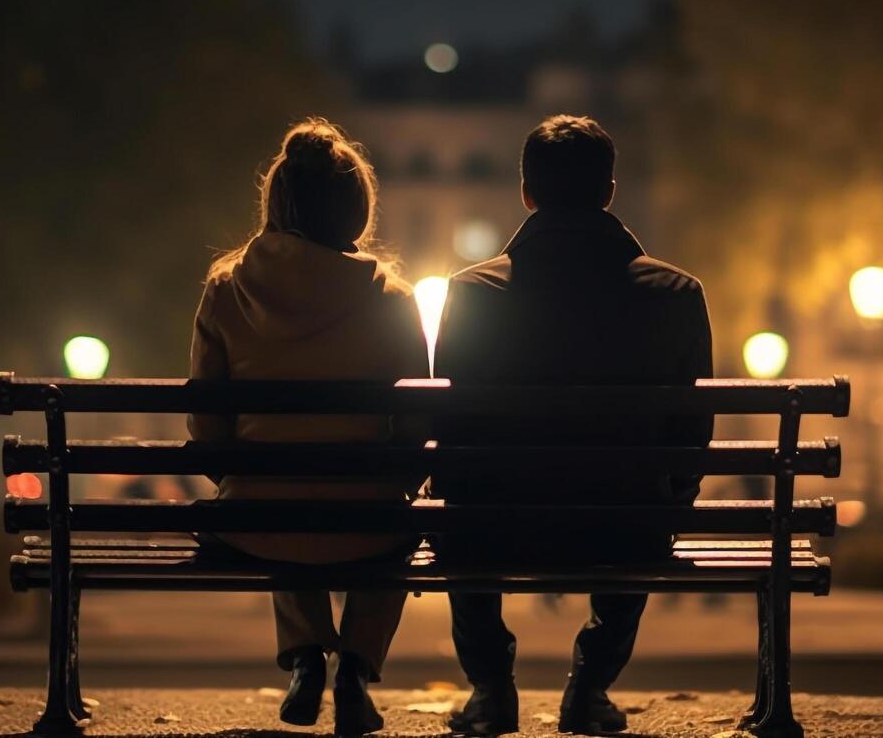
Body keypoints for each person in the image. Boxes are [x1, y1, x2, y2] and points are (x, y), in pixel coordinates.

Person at [431, 114, 714, 736]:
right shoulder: (674, 293)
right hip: (624, 529)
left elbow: (447, 431)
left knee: (457, 504)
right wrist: (672, 502)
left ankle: (490, 689)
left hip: (493, 532)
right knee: (645, 492)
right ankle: (588, 689)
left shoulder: (472, 293)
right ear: (610, 192)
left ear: (526, 192)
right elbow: (691, 437)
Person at [188, 118, 428, 736]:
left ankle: (304, 657)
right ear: (355, 208)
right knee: (400, 518)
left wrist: (242, 471)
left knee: (269, 490)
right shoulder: (393, 299)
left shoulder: (226, 291)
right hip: (368, 520)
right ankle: (356, 663)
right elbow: (416, 429)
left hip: (261, 521)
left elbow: (207, 426)